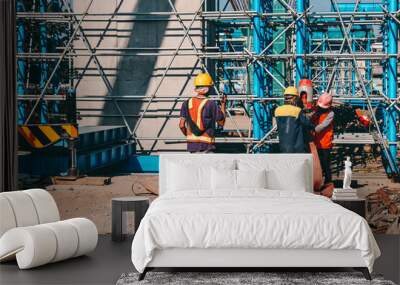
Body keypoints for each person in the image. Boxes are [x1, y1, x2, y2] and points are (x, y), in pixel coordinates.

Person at [179, 73, 226, 153]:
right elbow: (221, 122)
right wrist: (223, 104)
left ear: (196, 89)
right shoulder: (211, 104)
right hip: (206, 146)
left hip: (192, 146)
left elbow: (181, 125)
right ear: (207, 89)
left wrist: (189, 136)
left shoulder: (186, 103)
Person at [274, 86, 315, 153]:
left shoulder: (277, 110)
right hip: (296, 148)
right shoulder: (297, 111)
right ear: (294, 98)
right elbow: (307, 124)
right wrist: (314, 126)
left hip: (282, 146)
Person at [311, 92, 334, 184]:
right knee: (316, 165)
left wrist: (311, 129)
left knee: (325, 165)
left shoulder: (330, 114)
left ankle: (328, 182)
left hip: (325, 144)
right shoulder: (316, 110)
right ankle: (317, 181)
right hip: (315, 143)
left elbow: (322, 126)